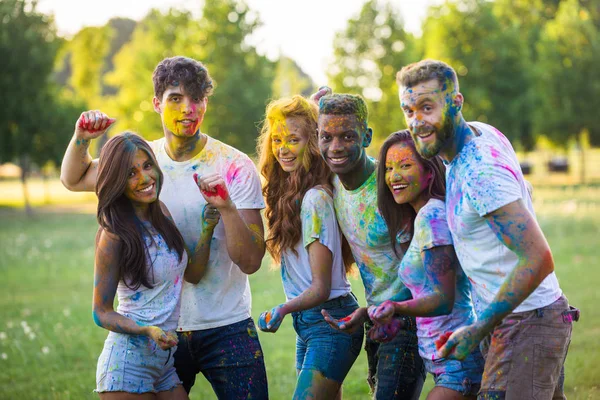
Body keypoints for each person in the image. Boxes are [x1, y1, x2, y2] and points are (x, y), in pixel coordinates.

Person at [60, 56, 268, 399]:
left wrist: (226, 207)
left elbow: (249, 262)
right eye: (175, 98)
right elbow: (73, 178)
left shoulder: (234, 165)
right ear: (157, 103)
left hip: (226, 325)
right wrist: (82, 137)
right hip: (159, 335)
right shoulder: (141, 163)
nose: (188, 108)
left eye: (197, 97)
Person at [397, 59, 575, 399]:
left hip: (526, 322)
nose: (417, 122)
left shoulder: (481, 171)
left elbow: (538, 258)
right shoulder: (475, 138)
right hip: (523, 318)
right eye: (408, 110)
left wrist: (480, 327)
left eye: (427, 107)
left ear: (455, 103)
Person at [316, 93, 425, 399]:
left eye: (347, 136)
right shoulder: (331, 182)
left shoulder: (391, 184)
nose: (335, 147)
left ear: (366, 137)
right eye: (327, 137)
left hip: (410, 320)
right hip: (375, 318)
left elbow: (428, 261)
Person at [255, 95, 363, 399]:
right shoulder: (292, 193)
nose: (283, 149)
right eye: (277, 140)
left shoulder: (315, 199)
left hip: (330, 321)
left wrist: (282, 309)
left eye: (293, 139)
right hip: (310, 324)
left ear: (312, 143)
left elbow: (320, 287)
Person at [92, 131, 210, 398]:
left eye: (147, 166)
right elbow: (100, 312)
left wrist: (208, 228)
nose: (145, 178)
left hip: (163, 365)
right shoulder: (114, 234)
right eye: (131, 173)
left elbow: (192, 274)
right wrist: (147, 330)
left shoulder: (162, 214)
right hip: (127, 367)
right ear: (116, 181)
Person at [368, 130, 484, 399]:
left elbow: (443, 299)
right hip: (442, 360)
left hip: (458, 361)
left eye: (405, 165)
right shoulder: (423, 216)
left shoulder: (432, 216)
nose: (394, 176)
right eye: (388, 168)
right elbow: (425, 291)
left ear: (429, 172)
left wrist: (396, 308)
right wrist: (371, 313)